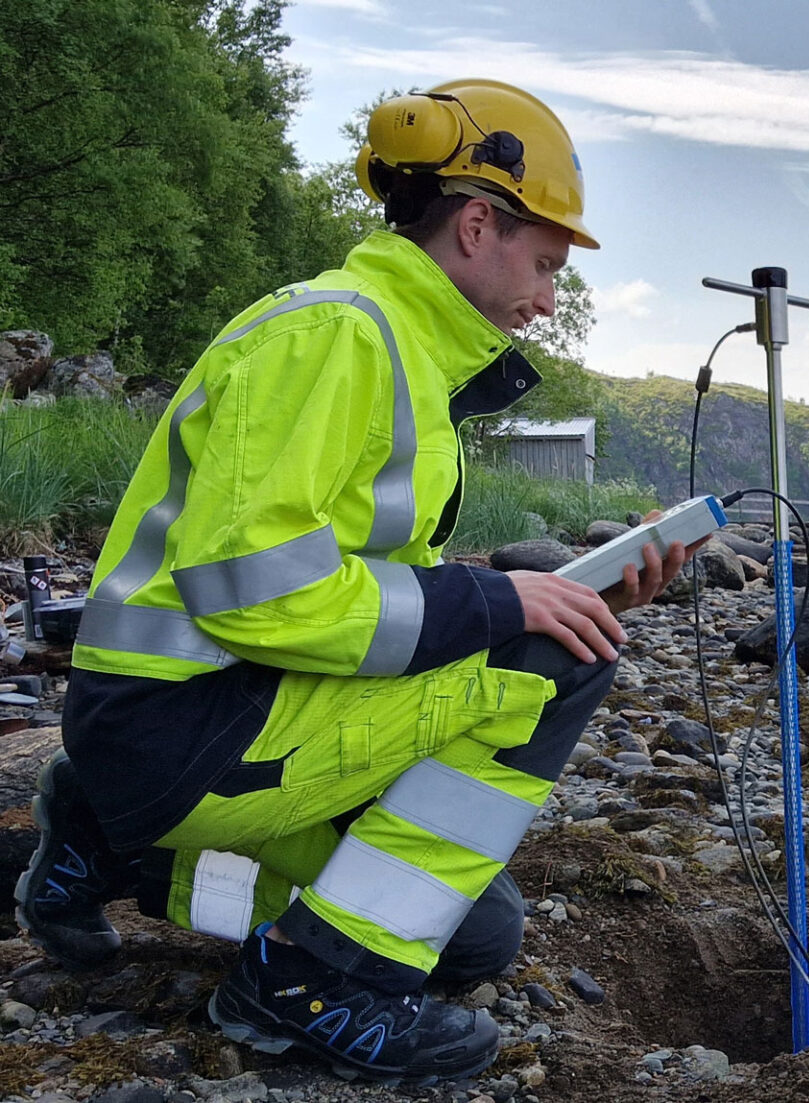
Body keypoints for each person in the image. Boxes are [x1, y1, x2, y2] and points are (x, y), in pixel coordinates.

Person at [13, 79, 693, 1084]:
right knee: (553, 660)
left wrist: (580, 594)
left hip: (226, 720)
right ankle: (301, 981)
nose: (550, 299)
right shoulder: (337, 337)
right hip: (185, 726)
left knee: (473, 939)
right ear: (474, 225)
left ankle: (117, 849)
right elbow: (253, 589)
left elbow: (361, 598)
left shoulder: (397, 350)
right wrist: (507, 607)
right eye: (546, 265)